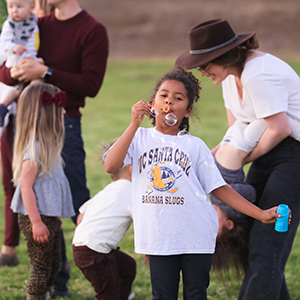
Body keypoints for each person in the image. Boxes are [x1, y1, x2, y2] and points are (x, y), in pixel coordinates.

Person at [103, 66, 280, 300]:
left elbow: (219, 188)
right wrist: (134, 124)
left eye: (178, 98)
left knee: (196, 294)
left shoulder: (195, 146)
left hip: (196, 236)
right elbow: (111, 166)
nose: (169, 102)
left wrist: (260, 214)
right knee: (163, 295)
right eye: (163, 95)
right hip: (159, 237)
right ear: (152, 104)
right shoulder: (139, 138)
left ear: (187, 111)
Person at [176, 19, 300, 299]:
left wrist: (241, 159)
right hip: (266, 151)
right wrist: (214, 156)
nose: (203, 73)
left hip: (293, 155)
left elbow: (281, 128)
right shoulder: (230, 79)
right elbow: (237, 129)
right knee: (249, 235)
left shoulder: (259, 73)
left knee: (268, 242)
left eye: (205, 65)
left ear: (222, 57)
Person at [0, 0, 109, 297]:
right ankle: (55, 284)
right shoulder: (36, 23)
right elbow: (4, 71)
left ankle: (107, 273)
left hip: (64, 125)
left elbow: (91, 83)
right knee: (40, 201)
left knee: (77, 200)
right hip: (27, 122)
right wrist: (19, 69)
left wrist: (45, 72)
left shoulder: (92, 30)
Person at [10, 83, 75, 300]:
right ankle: (36, 296)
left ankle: (46, 294)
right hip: (35, 218)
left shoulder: (51, 145)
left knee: (55, 264)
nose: (64, 112)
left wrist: (54, 214)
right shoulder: (35, 149)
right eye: (61, 109)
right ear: (47, 114)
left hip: (48, 216)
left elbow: (49, 186)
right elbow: (26, 187)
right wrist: (37, 222)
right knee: (41, 267)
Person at [72, 145, 136, 300]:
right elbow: (144, 222)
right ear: (132, 170)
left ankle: (122, 295)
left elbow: (80, 217)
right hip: (95, 253)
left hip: (83, 247)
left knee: (127, 266)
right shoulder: (131, 192)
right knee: (107, 294)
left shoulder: (109, 189)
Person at [0, 0, 41, 127]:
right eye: (10, 7)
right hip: (17, 60)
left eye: (19, 6)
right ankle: (7, 107)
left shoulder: (33, 21)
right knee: (36, 80)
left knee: (25, 87)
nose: (14, 10)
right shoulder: (10, 24)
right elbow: (4, 42)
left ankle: (23, 108)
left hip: (29, 57)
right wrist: (14, 47)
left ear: (32, 7)